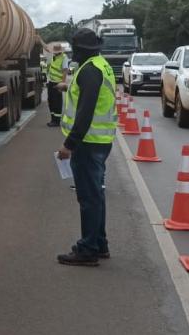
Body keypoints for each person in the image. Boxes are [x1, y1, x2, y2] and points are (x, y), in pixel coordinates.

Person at [55, 28, 117, 267]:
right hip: (100, 142)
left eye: (76, 49)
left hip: (88, 144)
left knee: (89, 198)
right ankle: (99, 244)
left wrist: (69, 144)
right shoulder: (100, 65)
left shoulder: (90, 70)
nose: (74, 54)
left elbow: (85, 112)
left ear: (81, 50)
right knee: (96, 195)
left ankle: (88, 249)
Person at [46, 43, 70, 127]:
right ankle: (53, 119)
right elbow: (46, 48)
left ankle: (56, 121)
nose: (54, 53)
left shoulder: (64, 57)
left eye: (56, 52)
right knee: (51, 101)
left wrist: (62, 83)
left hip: (58, 83)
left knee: (57, 102)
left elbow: (65, 71)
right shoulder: (55, 57)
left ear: (59, 51)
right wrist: (40, 40)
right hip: (51, 82)